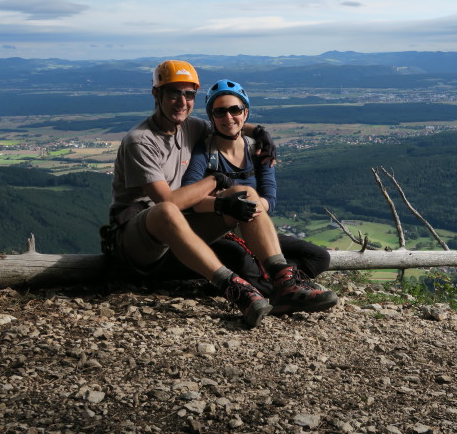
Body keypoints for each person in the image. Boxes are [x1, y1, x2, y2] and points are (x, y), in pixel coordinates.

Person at [104, 60, 337, 328]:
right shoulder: (140, 140)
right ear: (156, 94)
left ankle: (284, 283)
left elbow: (228, 124)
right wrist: (215, 180)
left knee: (244, 194)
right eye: (173, 93)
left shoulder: (189, 127)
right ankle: (236, 289)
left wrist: (261, 133)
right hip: (138, 242)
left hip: (181, 235)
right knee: (167, 210)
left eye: (189, 94)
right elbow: (166, 201)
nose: (182, 101)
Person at [181, 79, 331, 298]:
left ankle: (282, 282)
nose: (228, 117)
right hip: (223, 233)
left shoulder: (258, 151)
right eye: (220, 112)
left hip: (254, 227)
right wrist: (226, 205)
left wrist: (247, 208)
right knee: (240, 257)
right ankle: (281, 292)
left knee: (319, 257)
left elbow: (270, 201)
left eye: (235, 110)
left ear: (246, 112)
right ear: (212, 117)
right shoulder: (205, 153)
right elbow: (190, 199)